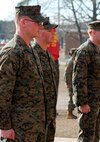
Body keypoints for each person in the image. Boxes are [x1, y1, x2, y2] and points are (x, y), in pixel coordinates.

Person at [0, 5, 47, 141]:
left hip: (34, 127)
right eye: (37, 22)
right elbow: (2, 93)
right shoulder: (12, 52)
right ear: (23, 22)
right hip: (18, 130)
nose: (41, 26)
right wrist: (4, 126)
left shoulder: (30, 50)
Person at [72, 20, 100, 142]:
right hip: (88, 104)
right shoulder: (85, 50)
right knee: (86, 138)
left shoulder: (95, 50)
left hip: (97, 103)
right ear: (92, 32)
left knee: (94, 138)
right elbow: (78, 78)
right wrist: (82, 102)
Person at [32, 17, 58, 142]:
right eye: (49, 30)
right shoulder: (31, 54)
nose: (53, 33)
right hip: (35, 120)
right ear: (39, 32)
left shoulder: (48, 56)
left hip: (49, 117)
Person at [64, 48, 77, 119]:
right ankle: (69, 113)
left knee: (73, 97)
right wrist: (68, 84)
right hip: (70, 83)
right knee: (71, 98)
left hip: (73, 82)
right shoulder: (71, 62)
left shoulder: (73, 61)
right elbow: (67, 74)